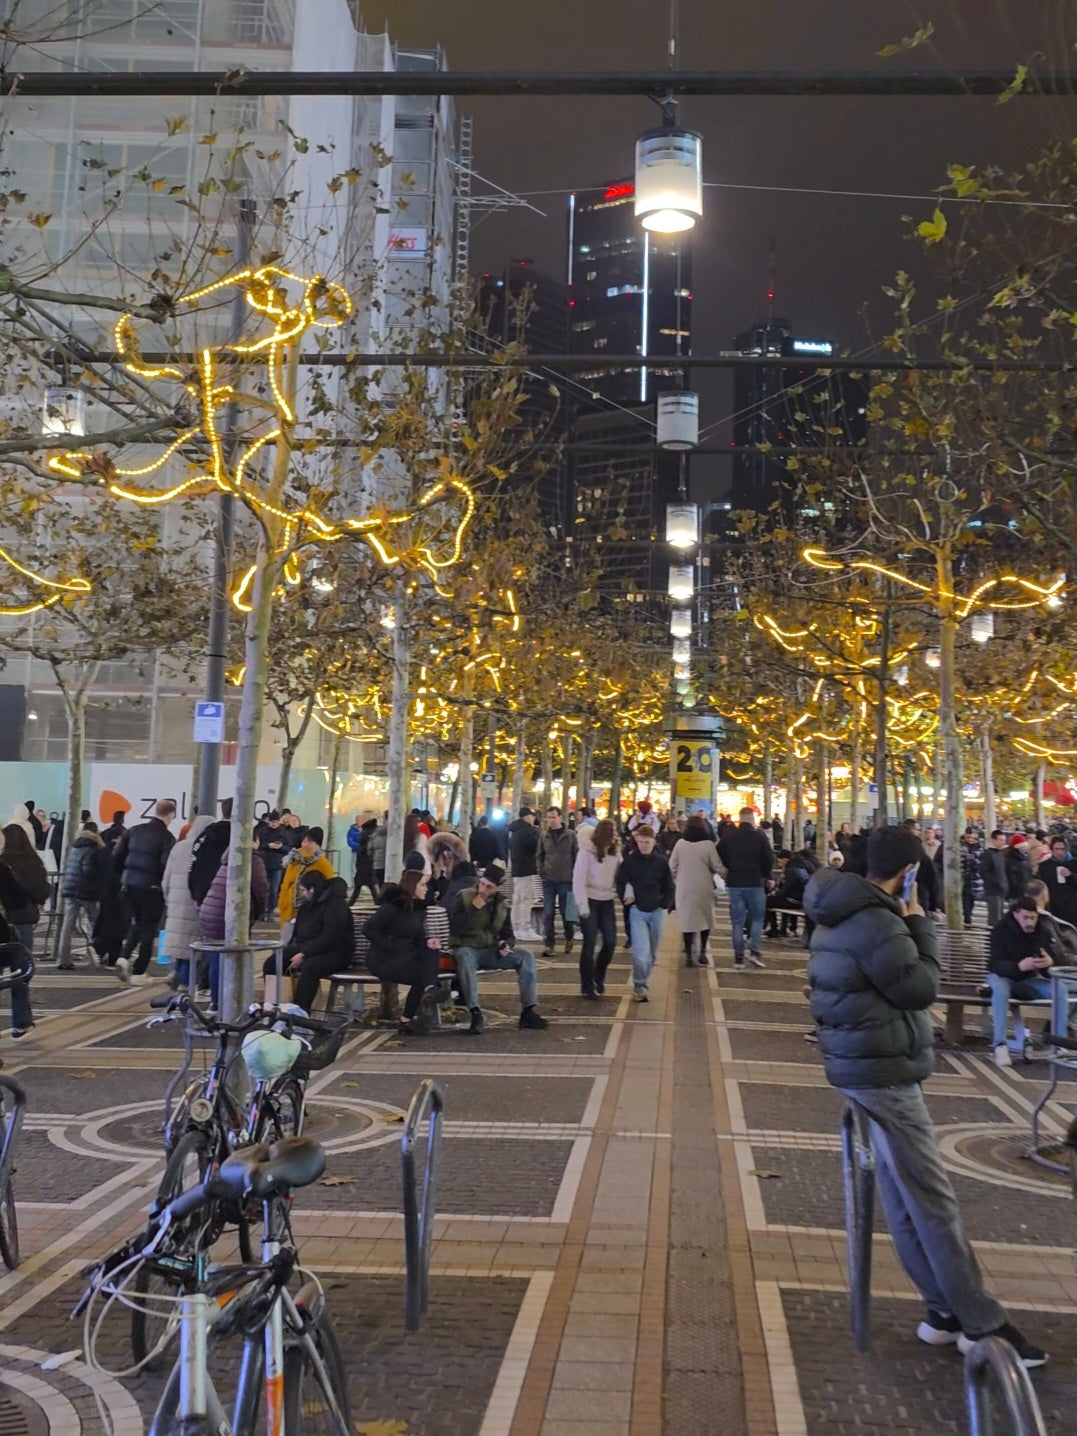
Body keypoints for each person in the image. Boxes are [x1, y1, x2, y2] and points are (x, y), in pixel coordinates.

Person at [804, 824, 1046, 1368]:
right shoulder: (878, 921)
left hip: (861, 1065)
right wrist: (918, 922)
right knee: (934, 1204)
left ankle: (942, 1310)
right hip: (883, 1069)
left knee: (905, 1198)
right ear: (910, 872)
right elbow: (919, 988)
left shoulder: (838, 910)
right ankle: (983, 1323)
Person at [448, 863, 548, 1032]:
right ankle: (475, 1012)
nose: (483, 889)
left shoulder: (501, 904)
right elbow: (455, 928)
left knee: (526, 956)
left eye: (489, 887)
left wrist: (506, 944)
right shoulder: (464, 896)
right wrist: (473, 908)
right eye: (482, 884)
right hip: (469, 948)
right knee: (465, 956)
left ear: (496, 888)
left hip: (490, 950)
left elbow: (508, 933)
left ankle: (529, 1010)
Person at [361, 869, 444, 1035]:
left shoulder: (419, 909)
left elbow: (418, 938)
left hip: (405, 956)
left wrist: (428, 941)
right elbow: (368, 928)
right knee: (424, 974)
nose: (426, 889)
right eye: (422, 885)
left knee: (431, 952)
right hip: (384, 959)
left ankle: (427, 993)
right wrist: (388, 945)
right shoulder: (392, 907)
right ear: (412, 886)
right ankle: (411, 1014)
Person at [987, 896, 1063, 1068]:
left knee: (1060, 989)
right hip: (1003, 977)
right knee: (1000, 990)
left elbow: (1051, 963)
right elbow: (994, 965)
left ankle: (1059, 1045)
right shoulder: (1001, 930)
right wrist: (1018, 966)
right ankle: (1000, 1045)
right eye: (1025, 917)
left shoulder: (1042, 930)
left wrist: (1049, 963)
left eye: (1033, 918)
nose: (1029, 922)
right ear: (1016, 914)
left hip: (1028, 980)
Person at [261, 870, 352, 1014]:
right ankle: (273, 1005)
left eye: (304, 890)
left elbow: (330, 937)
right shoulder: (308, 905)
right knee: (273, 963)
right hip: (307, 947)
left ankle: (300, 1011)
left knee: (310, 968)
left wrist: (304, 954)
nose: (303, 894)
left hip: (336, 952)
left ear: (312, 890)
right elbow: (299, 930)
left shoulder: (336, 906)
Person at [112, 799, 176, 983]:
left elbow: (117, 857)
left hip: (130, 884)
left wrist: (125, 877)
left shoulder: (133, 831)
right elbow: (165, 865)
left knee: (138, 922)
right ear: (171, 815)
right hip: (152, 887)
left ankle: (124, 957)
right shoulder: (167, 837)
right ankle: (139, 972)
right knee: (149, 928)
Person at [200, 840, 268, 1008]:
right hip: (230, 914)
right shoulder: (253, 859)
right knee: (236, 957)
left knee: (217, 958)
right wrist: (255, 915)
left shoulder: (228, 856)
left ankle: (216, 1002)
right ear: (255, 841)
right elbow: (260, 891)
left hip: (211, 911)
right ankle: (232, 1003)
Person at [616, 822, 673, 1001]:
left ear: (653, 841)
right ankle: (640, 986)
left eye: (646, 842)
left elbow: (669, 885)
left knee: (652, 954)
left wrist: (665, 903)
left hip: (656, 911)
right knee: (641, 954)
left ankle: (643, 981)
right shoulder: (630, 861)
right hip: (637, 911)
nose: (643, 845)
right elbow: (620, 882)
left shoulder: (661, 862)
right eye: (640, 842)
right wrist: (627, 900)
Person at [161, 814, 213, 993]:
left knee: (179, 944)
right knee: (193, 947)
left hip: (176, 901)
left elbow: (166, 877)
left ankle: (176, 973)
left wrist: (168, 898)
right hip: (195, 902)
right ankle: (185, 984)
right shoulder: (206, 848)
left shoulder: (179, 847)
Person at [717, 807, 774, 970]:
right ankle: (754, 950)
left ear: (740, 818)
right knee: (757, 918)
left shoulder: (729, 836)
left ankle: (738, 958)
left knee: (737, 922)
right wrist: (764, 874)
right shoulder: (760, 836)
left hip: (735, 881)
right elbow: (768, 858)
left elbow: (720, 852)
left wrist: (730, 866)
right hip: (755, 881)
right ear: (752, 819)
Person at [572, 818, 620, 998]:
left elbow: (621, 873)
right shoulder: (586, 852)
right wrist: (582, 906)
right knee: (589, 943)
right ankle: (587, 985)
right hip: (590, 899)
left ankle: (599, 975)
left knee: (610, 941)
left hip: (607, 900)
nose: (613, 837)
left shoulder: (615, 851)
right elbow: (578, 879)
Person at [669, 814, 722, 968]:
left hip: (684, 887)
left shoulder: (680, 844)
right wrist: (726, 875)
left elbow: (671, 866)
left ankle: (688, 955)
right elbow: (717, 866)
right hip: (703, 886)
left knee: (687, 921)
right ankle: (702, 952)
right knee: (705, 919)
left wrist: (676, 879)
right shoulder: (708, 845)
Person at [57, 820, 108, 969]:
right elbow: (88, 870)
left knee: (68, 925)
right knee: (95, 922)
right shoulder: (92, 848)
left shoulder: (75, 846)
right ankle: (99, 953)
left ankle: (63, 959)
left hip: (70, 890)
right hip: (86, 891)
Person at [0, 834, 35, 1041]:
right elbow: (17, 900)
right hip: (3, 936)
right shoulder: (2, 868)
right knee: (20, 969)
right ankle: (21, 1020)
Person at [0, 822, 51, 961]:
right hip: (26, 909)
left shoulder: (5, 861)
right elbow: (40, 884)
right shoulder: (33, 860)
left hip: (11, 909)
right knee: (24, 951)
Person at [538, 806, 577, 957]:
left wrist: (575, 874)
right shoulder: (544, 835)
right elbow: (540, 855)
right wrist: (541, 871)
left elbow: (576, 854)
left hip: (566, 880)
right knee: (548, 913)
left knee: (567, 912)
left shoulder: (571, 835)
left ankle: (569, 937)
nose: (551, 820)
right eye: (549, 817)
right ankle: (549, 944)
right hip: (548, 879)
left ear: (560, 817)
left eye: (554, 817)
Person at [278, 827, 334, 931]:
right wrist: (282, 902)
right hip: (289, 909)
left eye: (310, 842)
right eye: (304, 841)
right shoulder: (294, 859)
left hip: (310, 911)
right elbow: (286, 883)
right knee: (287, 937)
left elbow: (330, 887)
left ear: (318, 845)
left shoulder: (323, 864)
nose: (305, 845)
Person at [508, 807, 542, 943]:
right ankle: (525, 927)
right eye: (532, 816)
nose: (534, 819)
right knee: (525, 899)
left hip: (517, 869)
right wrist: (537, 831)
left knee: (517, 899)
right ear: (527, 817)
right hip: (526, 868)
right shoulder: (527, 832)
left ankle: (516, 926)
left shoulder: (515, 831)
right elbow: (537, 845)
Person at [765, 849, 813, 940]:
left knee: (766, 901)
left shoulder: (791, 870)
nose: (779, 864)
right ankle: (781, 928)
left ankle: (773, 928)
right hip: (801, 899)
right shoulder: (801, 868)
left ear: (785, 860)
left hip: (793, 900)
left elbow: (787, 889)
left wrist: (775, 894)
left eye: (780, 861)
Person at [1033, 836, 1077, 928]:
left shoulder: (1074, 863)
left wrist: (1070, 875)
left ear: (1066, 849)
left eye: (1062, 849)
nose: (1059, 852)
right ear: (1051, 849)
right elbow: (1042, 886)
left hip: (1073, 906)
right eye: (1056, 849)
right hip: (1054, 906)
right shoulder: (1045, 866)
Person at [254, 810, 291, 915]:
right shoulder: (263, 832)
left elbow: (289, 848)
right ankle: (262, 911)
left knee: (274, 890)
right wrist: (268, 846)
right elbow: (258, 846)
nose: (274, 824)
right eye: (272, 822)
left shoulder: (284, 833)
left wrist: (281, 847)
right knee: (263, 889)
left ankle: (270, 911)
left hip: (277, 865)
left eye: (276, 822)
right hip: (264, 863)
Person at [902, 819, 940, 914]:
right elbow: (932, 878)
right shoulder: (918, 850)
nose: (919, 832)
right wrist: (933, 903)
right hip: (919, 894)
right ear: (910, 830)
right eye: (917, 830)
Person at [979, 830, 1009, 927]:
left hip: (1001, 890)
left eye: (1004, 840)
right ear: (994, 840)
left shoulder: (1000, 854)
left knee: (999, 916)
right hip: (993, 891)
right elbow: (983, 871)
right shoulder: (988, 854)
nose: (1003, 842)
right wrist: (995, 882)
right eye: (1001, 840)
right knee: (995, 918)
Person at [348, 816, 380, 906]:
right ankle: (377, 903)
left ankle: (350, 904)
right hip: (368, 863)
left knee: (358, 888)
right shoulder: (373, 834)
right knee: (371, 886)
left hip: (363, 863)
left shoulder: (364, 834)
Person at [959, 830, 982, 928]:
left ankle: (968, 918)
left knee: (971, 900)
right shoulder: (961, 847)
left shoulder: (979, 849)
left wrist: (973, 860)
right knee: (965, 900)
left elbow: (981, 863)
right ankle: (967, 920)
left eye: (972, 838)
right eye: (968, 837)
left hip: (974, 878)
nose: (970, 840)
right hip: (964, 878)